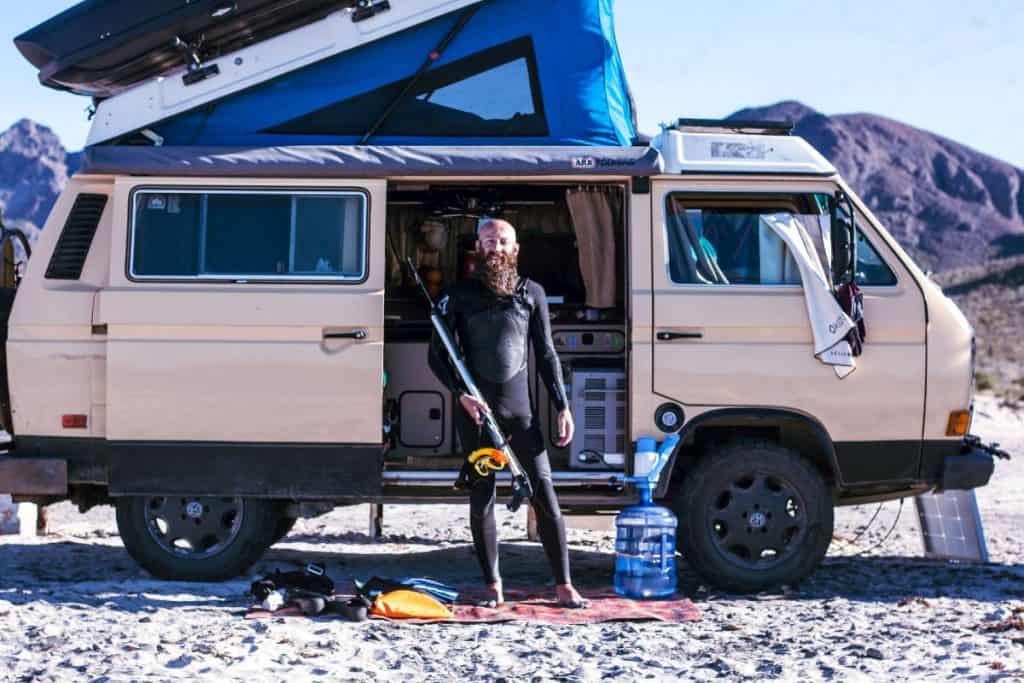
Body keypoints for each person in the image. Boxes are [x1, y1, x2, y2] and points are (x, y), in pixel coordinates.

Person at [427, 218, 590, 609]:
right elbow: (437, 356)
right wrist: (460, 395)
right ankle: (492, 585)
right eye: (488, 241)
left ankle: (564, 584)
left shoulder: (531, 293)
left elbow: (547, 355)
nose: (496, 247)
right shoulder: (457, 295)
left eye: (503, 241)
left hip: (522, 417)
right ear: (478, 248)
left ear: (515, 249)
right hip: (478, 417)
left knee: (545, 495)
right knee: (482, 498)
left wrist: (562, 406)